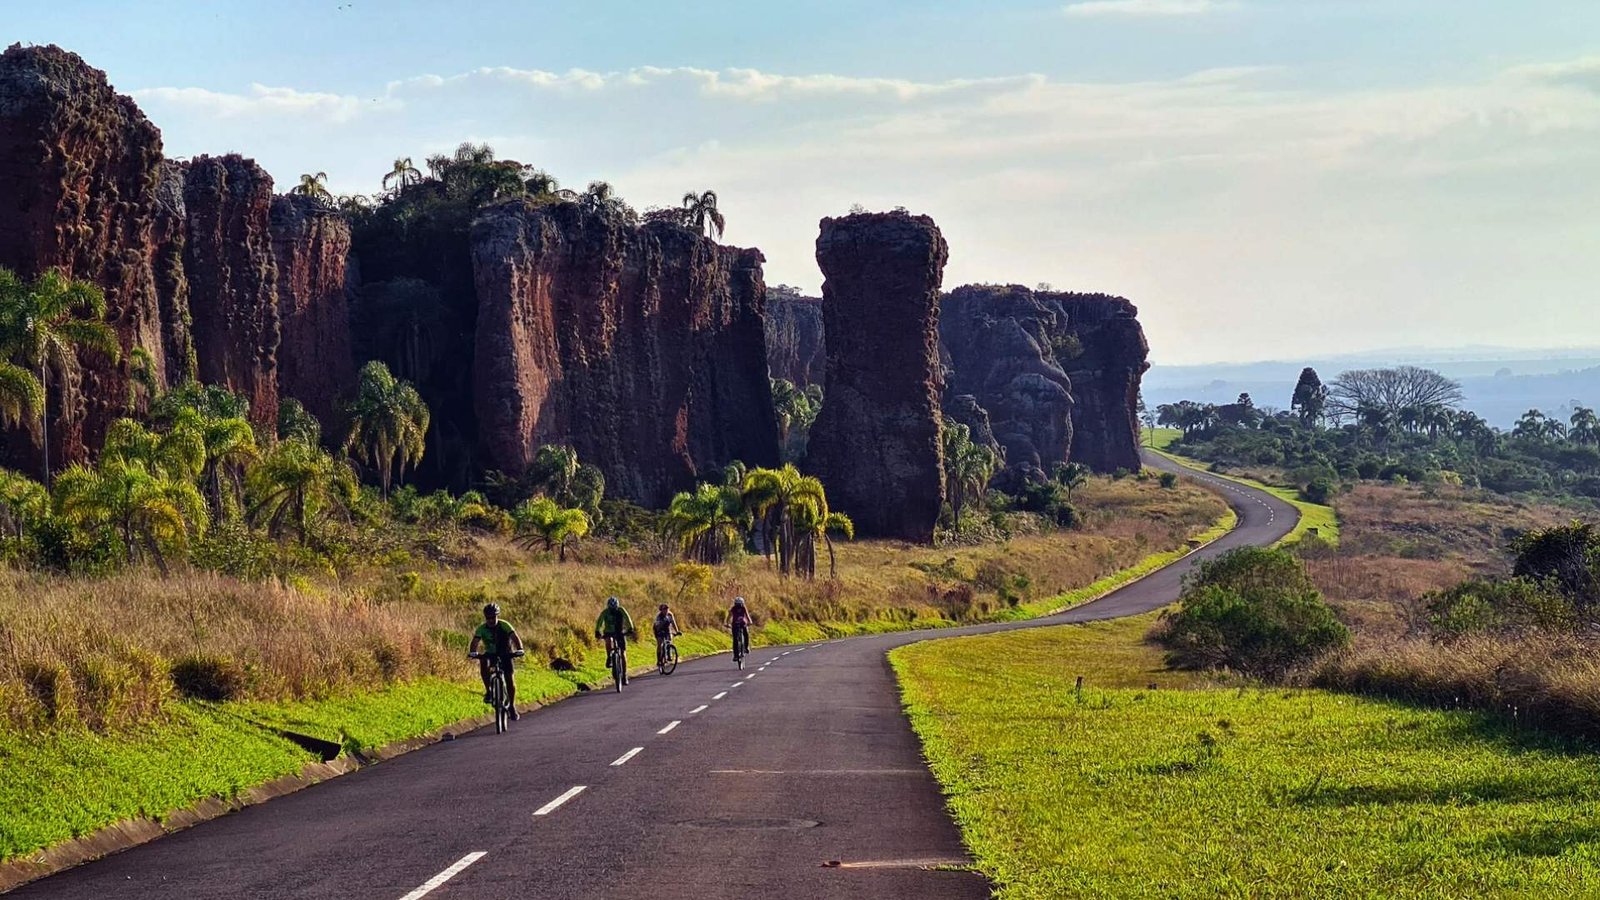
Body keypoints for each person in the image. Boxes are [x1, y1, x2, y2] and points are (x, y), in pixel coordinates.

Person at [468, 603, 525, 720]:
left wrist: (520, 649)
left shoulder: (504, 625)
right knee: (484, 662)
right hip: (491, 653)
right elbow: (475, 642)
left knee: (509, 679)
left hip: (506, 653)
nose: (491, 620)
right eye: (488, 618)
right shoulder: (482, 629)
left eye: (493, 617)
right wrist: (473, 652)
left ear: (497, 616)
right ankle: (488, 690)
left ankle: (512, 706)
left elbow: (515, 637)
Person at [594, 596, 637, 684]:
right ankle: (609, 657)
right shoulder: (605, 612)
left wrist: (630, 628)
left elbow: (627, 618)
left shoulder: (621, 610)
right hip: (609, 632)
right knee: (608, 640)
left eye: (614, 608)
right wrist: (597, 631)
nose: (613, 610)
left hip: (619, 632)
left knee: (623, 653)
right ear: (608, 607)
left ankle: (624, 675)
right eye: (611, 608)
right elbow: (600, 621)